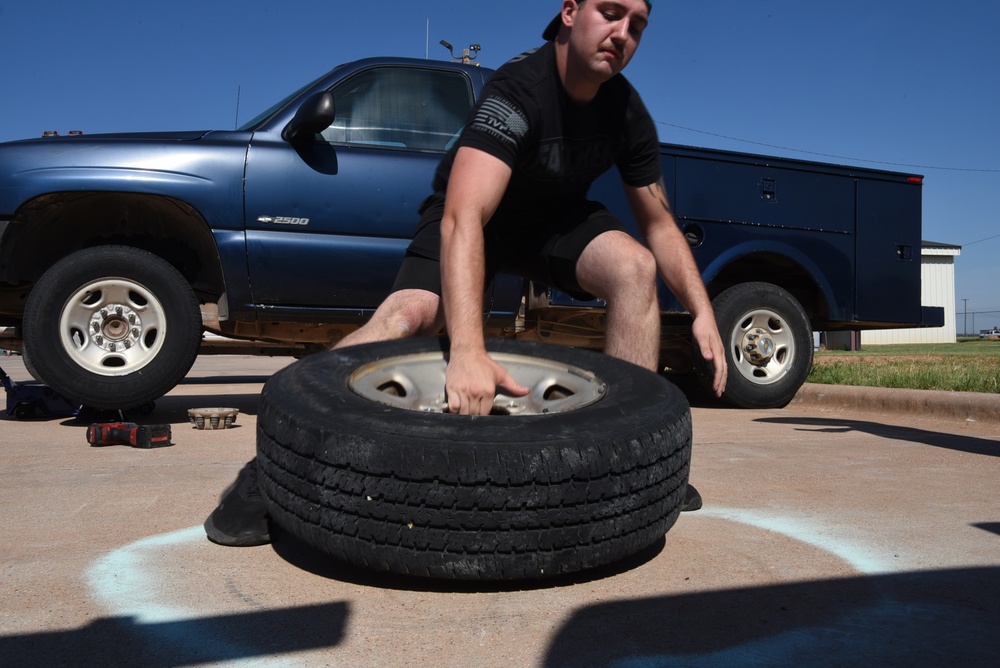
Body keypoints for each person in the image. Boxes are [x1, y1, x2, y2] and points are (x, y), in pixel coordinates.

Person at [204, 0, 727, 547]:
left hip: (551, 218)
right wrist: (470, 352)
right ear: (570, 13)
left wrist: (703, 313)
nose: (622, 33)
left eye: (637, 26)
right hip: (474, 212)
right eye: (611, 12)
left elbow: (660, 225)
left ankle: (635, 466)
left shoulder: (625, 110)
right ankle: (269, 467)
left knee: (634, 267)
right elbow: (463, 218)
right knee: (410, 314)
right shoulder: (519, 89)